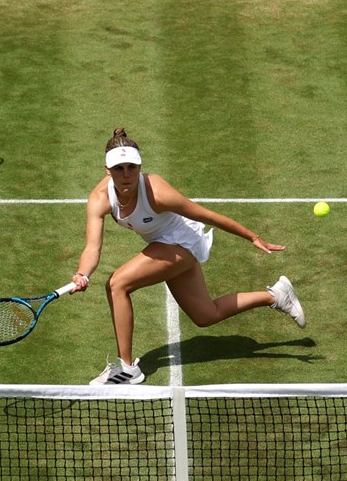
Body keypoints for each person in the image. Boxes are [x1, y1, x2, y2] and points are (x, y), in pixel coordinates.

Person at [70, 128, 306, 385]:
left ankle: (127, 369)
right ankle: (276, 295)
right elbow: (92, 249)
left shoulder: (157, 191)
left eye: (131, 167)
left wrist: (251, 236)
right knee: (206, 315)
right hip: (163, 243)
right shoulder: (99, 198)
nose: (126, 174)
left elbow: (207, 215)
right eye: (119, 168)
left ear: (140, 167)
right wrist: (83, 273)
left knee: (117, 284)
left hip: (184, 241)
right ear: (107, 169)